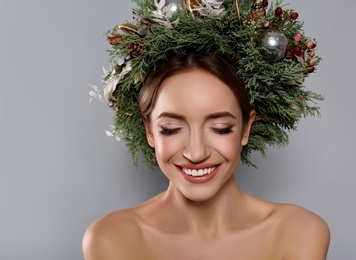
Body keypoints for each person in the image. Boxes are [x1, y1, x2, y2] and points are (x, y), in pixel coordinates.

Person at [84, 0, 330, 259]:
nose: (196, 152)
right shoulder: (113, 239)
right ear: (149, 130)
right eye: (170, 128)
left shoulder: (298, 232)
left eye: (221, 128)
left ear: (246, 128)